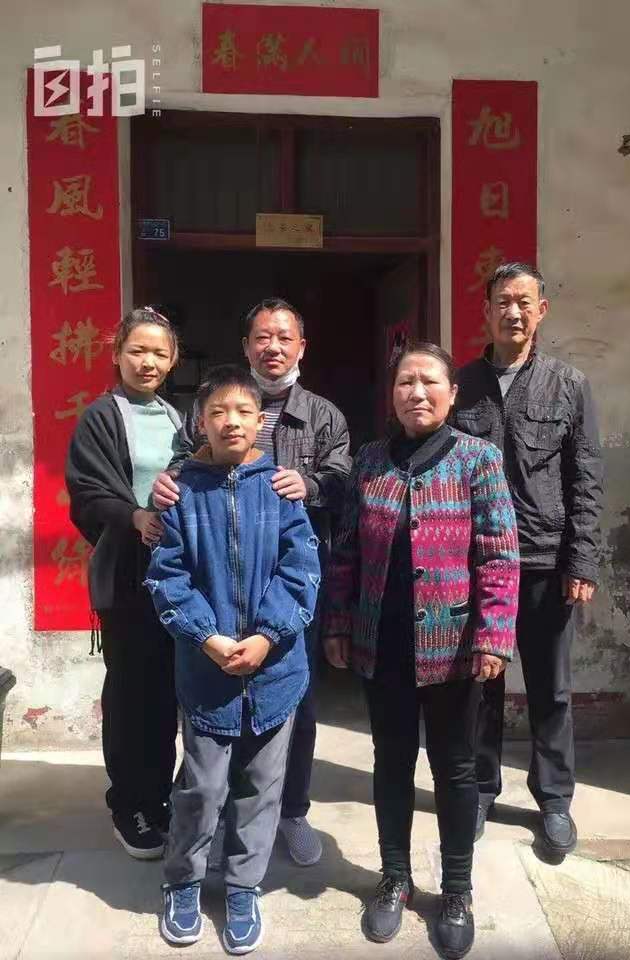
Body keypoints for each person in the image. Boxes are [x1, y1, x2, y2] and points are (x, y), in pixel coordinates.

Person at [323, 342, 520, 959]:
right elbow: (346, 550)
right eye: (406, 381)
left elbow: (499, 555)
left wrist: (493, 635)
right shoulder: (370, 461)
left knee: (456, 769)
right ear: (393, 394)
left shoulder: (478, 460)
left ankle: (456, 889)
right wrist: (338, 623)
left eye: (429, 381)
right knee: (391, 762)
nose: (417, 392)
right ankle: (395, 878)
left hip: (454, 649)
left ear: (451, 394)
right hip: (382, 643)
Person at [152, 297, 351, 866]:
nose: (273, 347)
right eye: (262, 337)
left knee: (293, 705)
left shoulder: (324, 415)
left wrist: (309, 486)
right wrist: (165, 485)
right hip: (216, 580)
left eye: (285, 337)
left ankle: (291, 812)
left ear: (301, 346)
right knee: (212, 705)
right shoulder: (214, 406)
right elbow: (182, 468)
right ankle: (215, 823)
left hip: (289, 583)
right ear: (246, 347)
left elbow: (344, 480)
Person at [144, 365, 320, 953]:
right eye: (218, 412)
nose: (231, 421)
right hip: (207, 669)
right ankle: (184, 881)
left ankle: (244, 885)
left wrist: (268, 636)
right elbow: (168, 578)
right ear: (201, 422)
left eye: (244, 411)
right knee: (202, 785)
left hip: (276, 670)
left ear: (260, 421)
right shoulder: (182, 493)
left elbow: (302, 571)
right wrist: (207, 638)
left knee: (261, 786)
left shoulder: (281, 489)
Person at [452, 262, 603, 854]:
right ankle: (481, 788)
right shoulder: (461, 384)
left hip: (545, 559)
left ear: (541, 311)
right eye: (502, 302)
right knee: (480, 681)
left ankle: (555, 797)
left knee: (551, 688)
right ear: (486, 310)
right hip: (477, 561)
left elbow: (586, 477)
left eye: (524, 302)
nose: (512, 313)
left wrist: (581, 561)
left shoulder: (568, 384)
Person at [65, 307, 182, 859]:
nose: (147, 362)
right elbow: (87, 491)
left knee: (166, 694)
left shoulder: (179, 418)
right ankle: (128, 803)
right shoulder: (100, 417)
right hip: (128, 577)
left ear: (173, 360)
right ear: (117, 355)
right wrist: (134, 517)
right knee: (131, 693)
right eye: (137, 350)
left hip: (176, 577)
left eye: (159, 352)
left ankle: (159, 798)